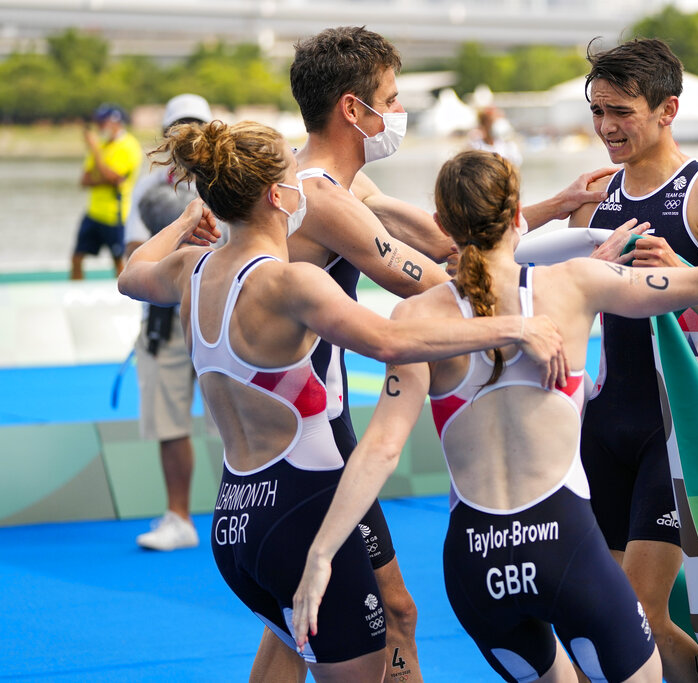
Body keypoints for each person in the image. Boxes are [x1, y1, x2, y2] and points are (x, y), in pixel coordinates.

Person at [291, 149, 698, 683]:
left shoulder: (414, 319)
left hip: (473, 568)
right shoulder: (572, 287)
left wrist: (320, 556)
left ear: (440, 225)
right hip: (563, 549)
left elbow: (380, 449)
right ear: (517, 213)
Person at [116, 121, 568, 682]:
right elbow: (391, 341)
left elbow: (130, 276)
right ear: (277, 196)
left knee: (298, 644)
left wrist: (186, 221)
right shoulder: (291, 284)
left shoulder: (191, 270)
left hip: (234, 522)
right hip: (301, 507)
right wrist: (514, 327)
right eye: (294, 178)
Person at [272, 24, 618, 683]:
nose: (399, 112)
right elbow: (443, 284)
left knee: (305, 627)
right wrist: (560, 288)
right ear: (353, 109)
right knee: (365, 617)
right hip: (309, 445)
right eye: (391, 99)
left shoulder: (336, 184)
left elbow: (449, 239)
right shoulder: (323, 198)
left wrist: (553, 207)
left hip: (314, 430)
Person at [565, 38, 698, 682]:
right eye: (598, 111)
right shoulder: (593, 197)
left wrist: (685, 276)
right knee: (602, 615)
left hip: (672, 433)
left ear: (667, 110)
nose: (606, 127)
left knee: (641, 613)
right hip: (602, 427)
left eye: (621, 112)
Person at [125, 93, 215, 551]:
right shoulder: (148, 189)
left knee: (241, 418)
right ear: (165, 136)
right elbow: (132, 256)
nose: (188, 136)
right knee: (169, 421)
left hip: (224, 312)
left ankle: (250, 512)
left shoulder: (235, 180)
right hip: (165, 318)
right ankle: (178, 518)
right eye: (178, 128)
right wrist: (181, 235)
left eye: (196, 126)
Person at [71, 103, 142, 279]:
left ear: (115, 122)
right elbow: (84, 180)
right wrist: (103, 178)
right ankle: (75, 291)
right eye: (98, 122)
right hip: (93, 213)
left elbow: (112, 179)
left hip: (115, 216)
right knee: (76, 258)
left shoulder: (128, 146)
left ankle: (123, 292)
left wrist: (96, 152)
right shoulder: (101, 144)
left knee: (119, 262)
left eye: (102, 122)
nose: (99, 126)